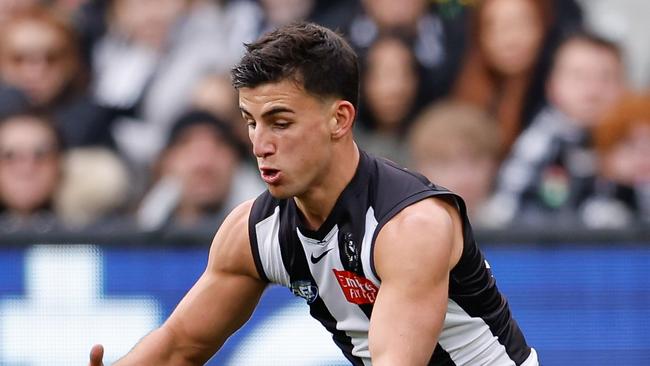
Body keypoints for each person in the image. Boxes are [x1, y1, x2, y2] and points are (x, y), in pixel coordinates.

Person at [88, 22, 537, 366]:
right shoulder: (252, 232)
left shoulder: (411, 226)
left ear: (339, 120)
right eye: (250, 122)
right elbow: (177, 348)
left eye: (280, 122)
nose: (259, 144)